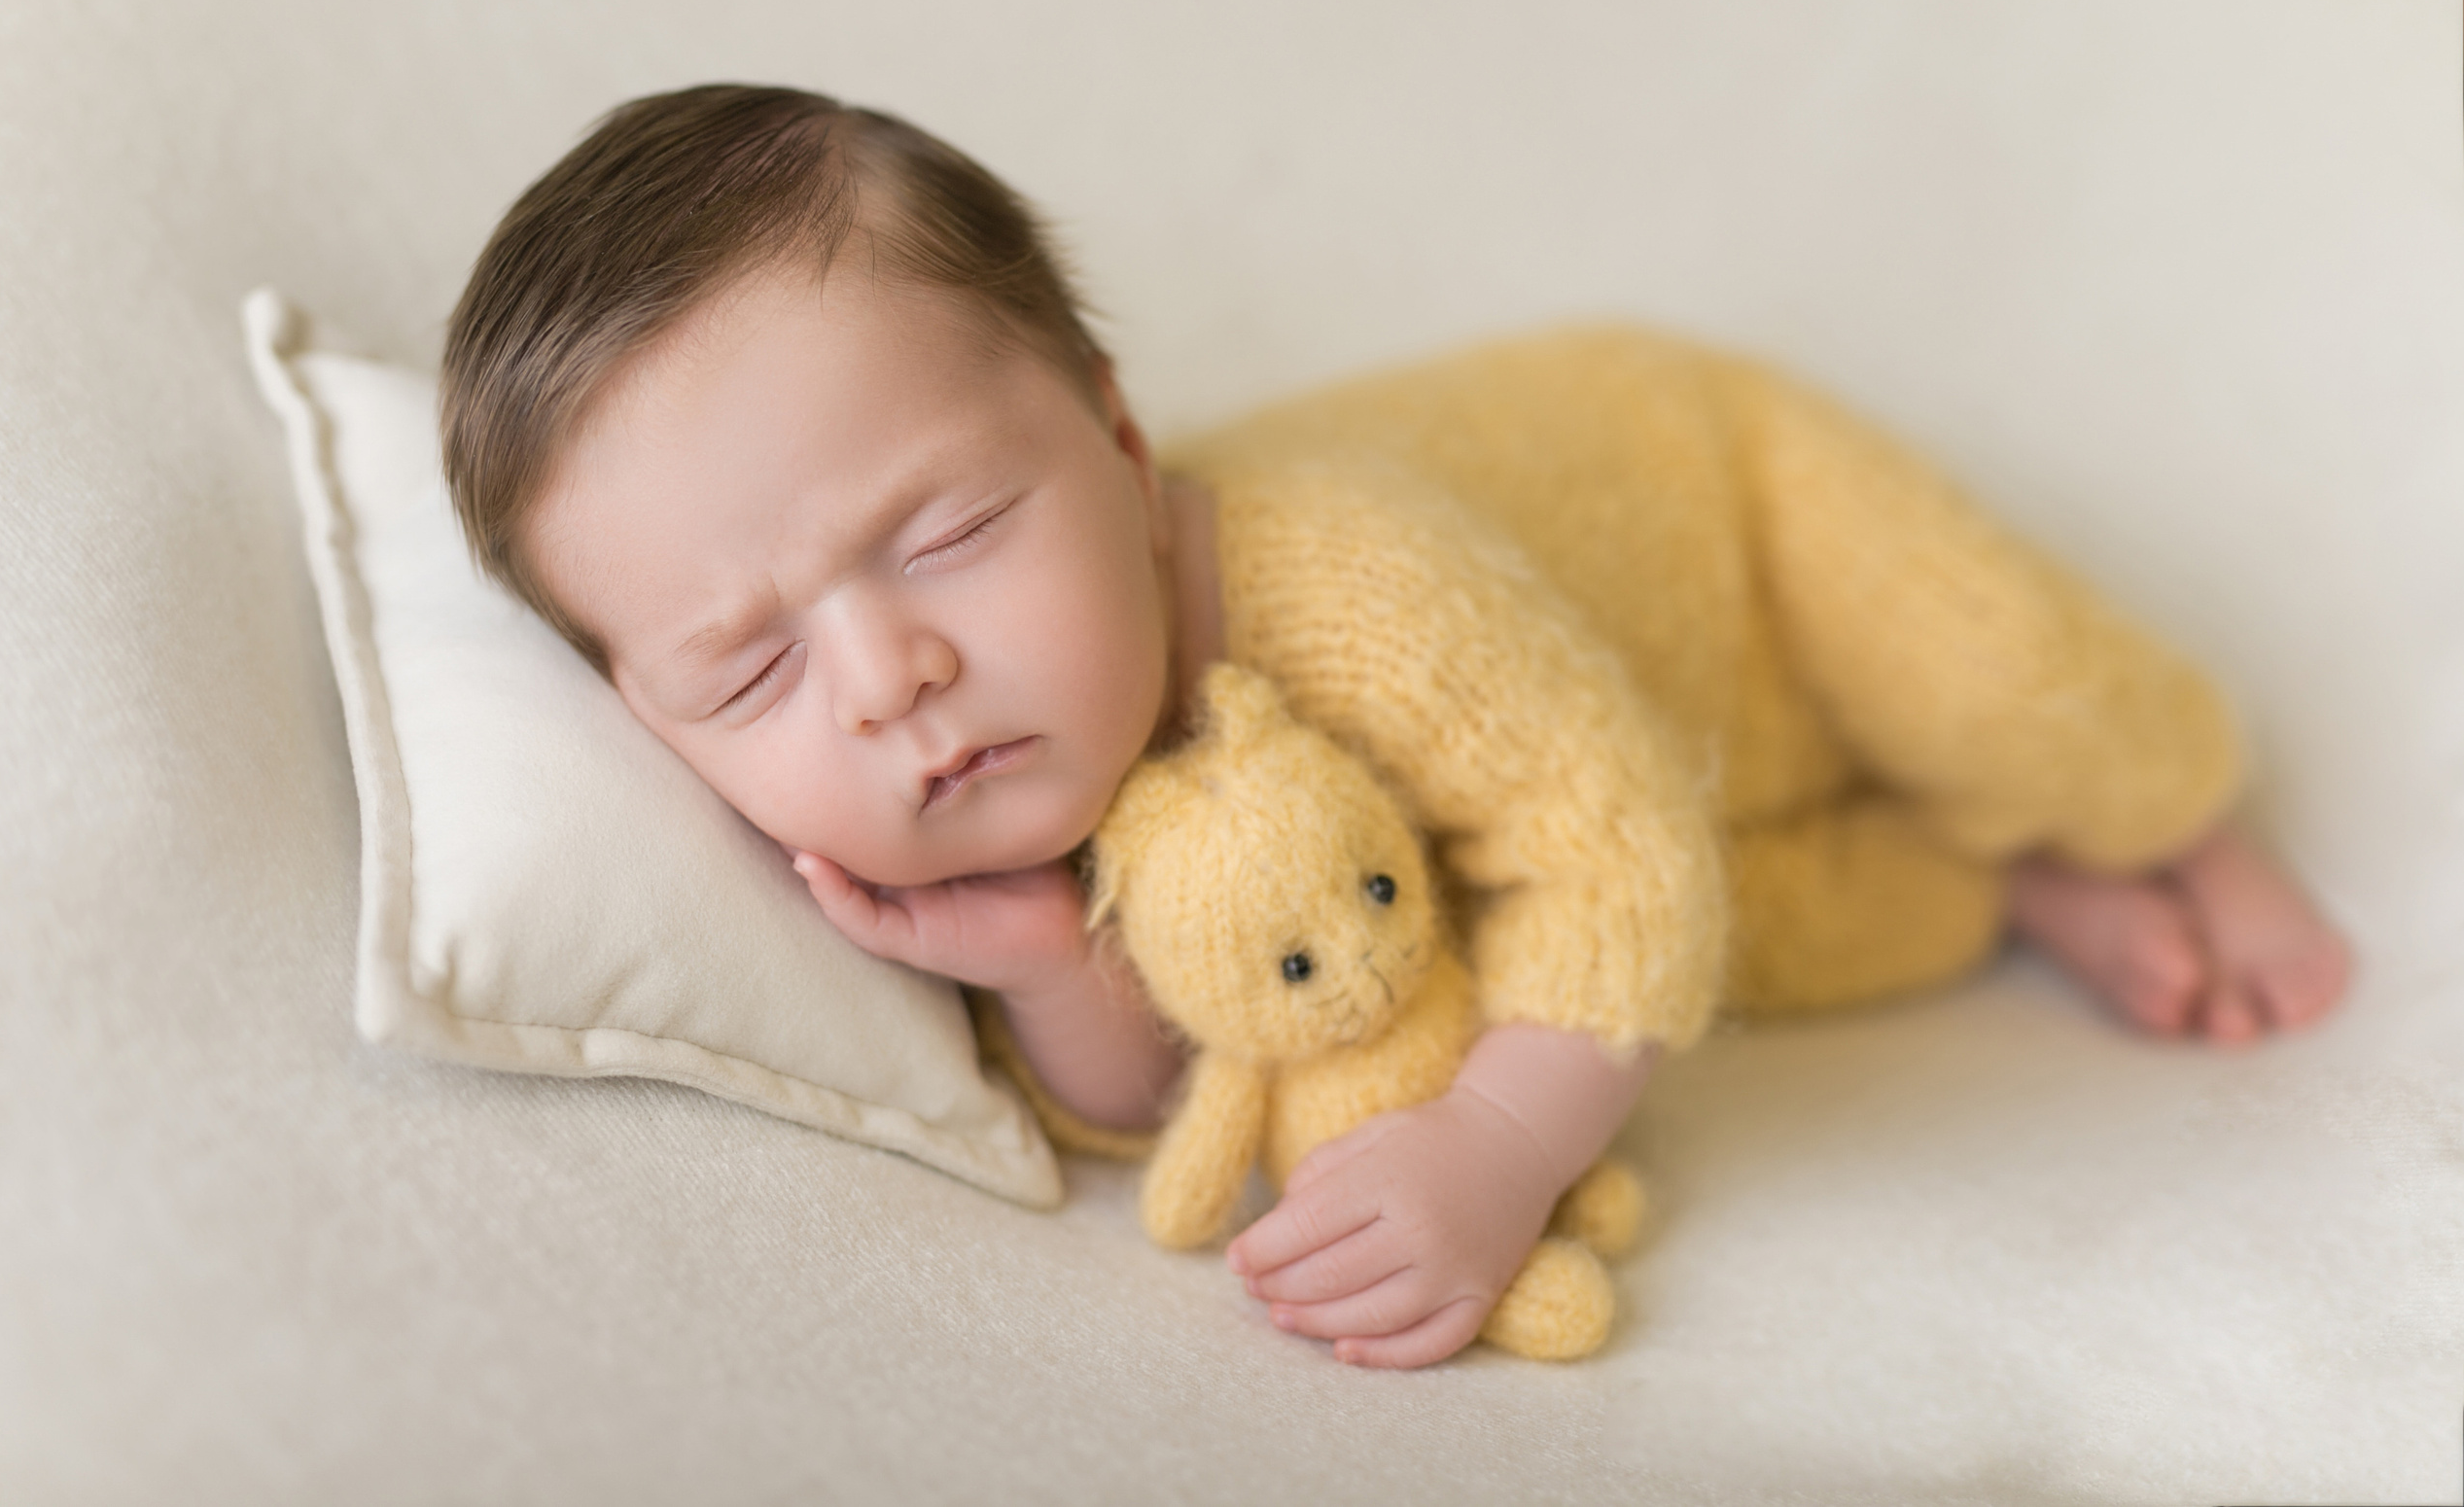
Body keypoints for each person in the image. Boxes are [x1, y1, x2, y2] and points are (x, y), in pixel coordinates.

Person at [439, 85, 2351, 1370]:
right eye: (747, 673)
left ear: (1115, 441)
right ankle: (1993, 879)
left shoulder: (1342, 583)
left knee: (1999, 689)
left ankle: (2158, 819)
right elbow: (1177, 1080)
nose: (882, 678)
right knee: (1743, 945)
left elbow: (1613, 848)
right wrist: (1041, 959)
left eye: (941, 535)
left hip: (1723, 517)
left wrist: (1501, 1136)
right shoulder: (992, 773)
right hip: (1633, 799)